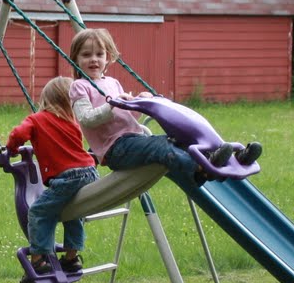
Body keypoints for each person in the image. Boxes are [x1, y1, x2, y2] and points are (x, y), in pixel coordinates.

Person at [67, 28, 260, 198]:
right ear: (75, 58)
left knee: (177, 140)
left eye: (99, 54)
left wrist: (139, 102)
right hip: (114, 150)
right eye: (86, 55)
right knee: (162, 147)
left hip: (131, 139)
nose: (93, 59)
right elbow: (87, 118)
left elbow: (125, 117)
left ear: (107, 58)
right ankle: (199, 171)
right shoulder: (79, 87)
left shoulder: (112, 83)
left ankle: (236, 157)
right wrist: (113, 105)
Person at [5, 76, 98, 278]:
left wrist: (12, 148)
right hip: (90, 172)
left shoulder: (36, 119)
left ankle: (38, 260)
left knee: (39, 212)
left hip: (68, 177)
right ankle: (71, 259)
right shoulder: (72, 122)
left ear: (46, 99)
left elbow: (19, 133)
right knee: (73, 213)